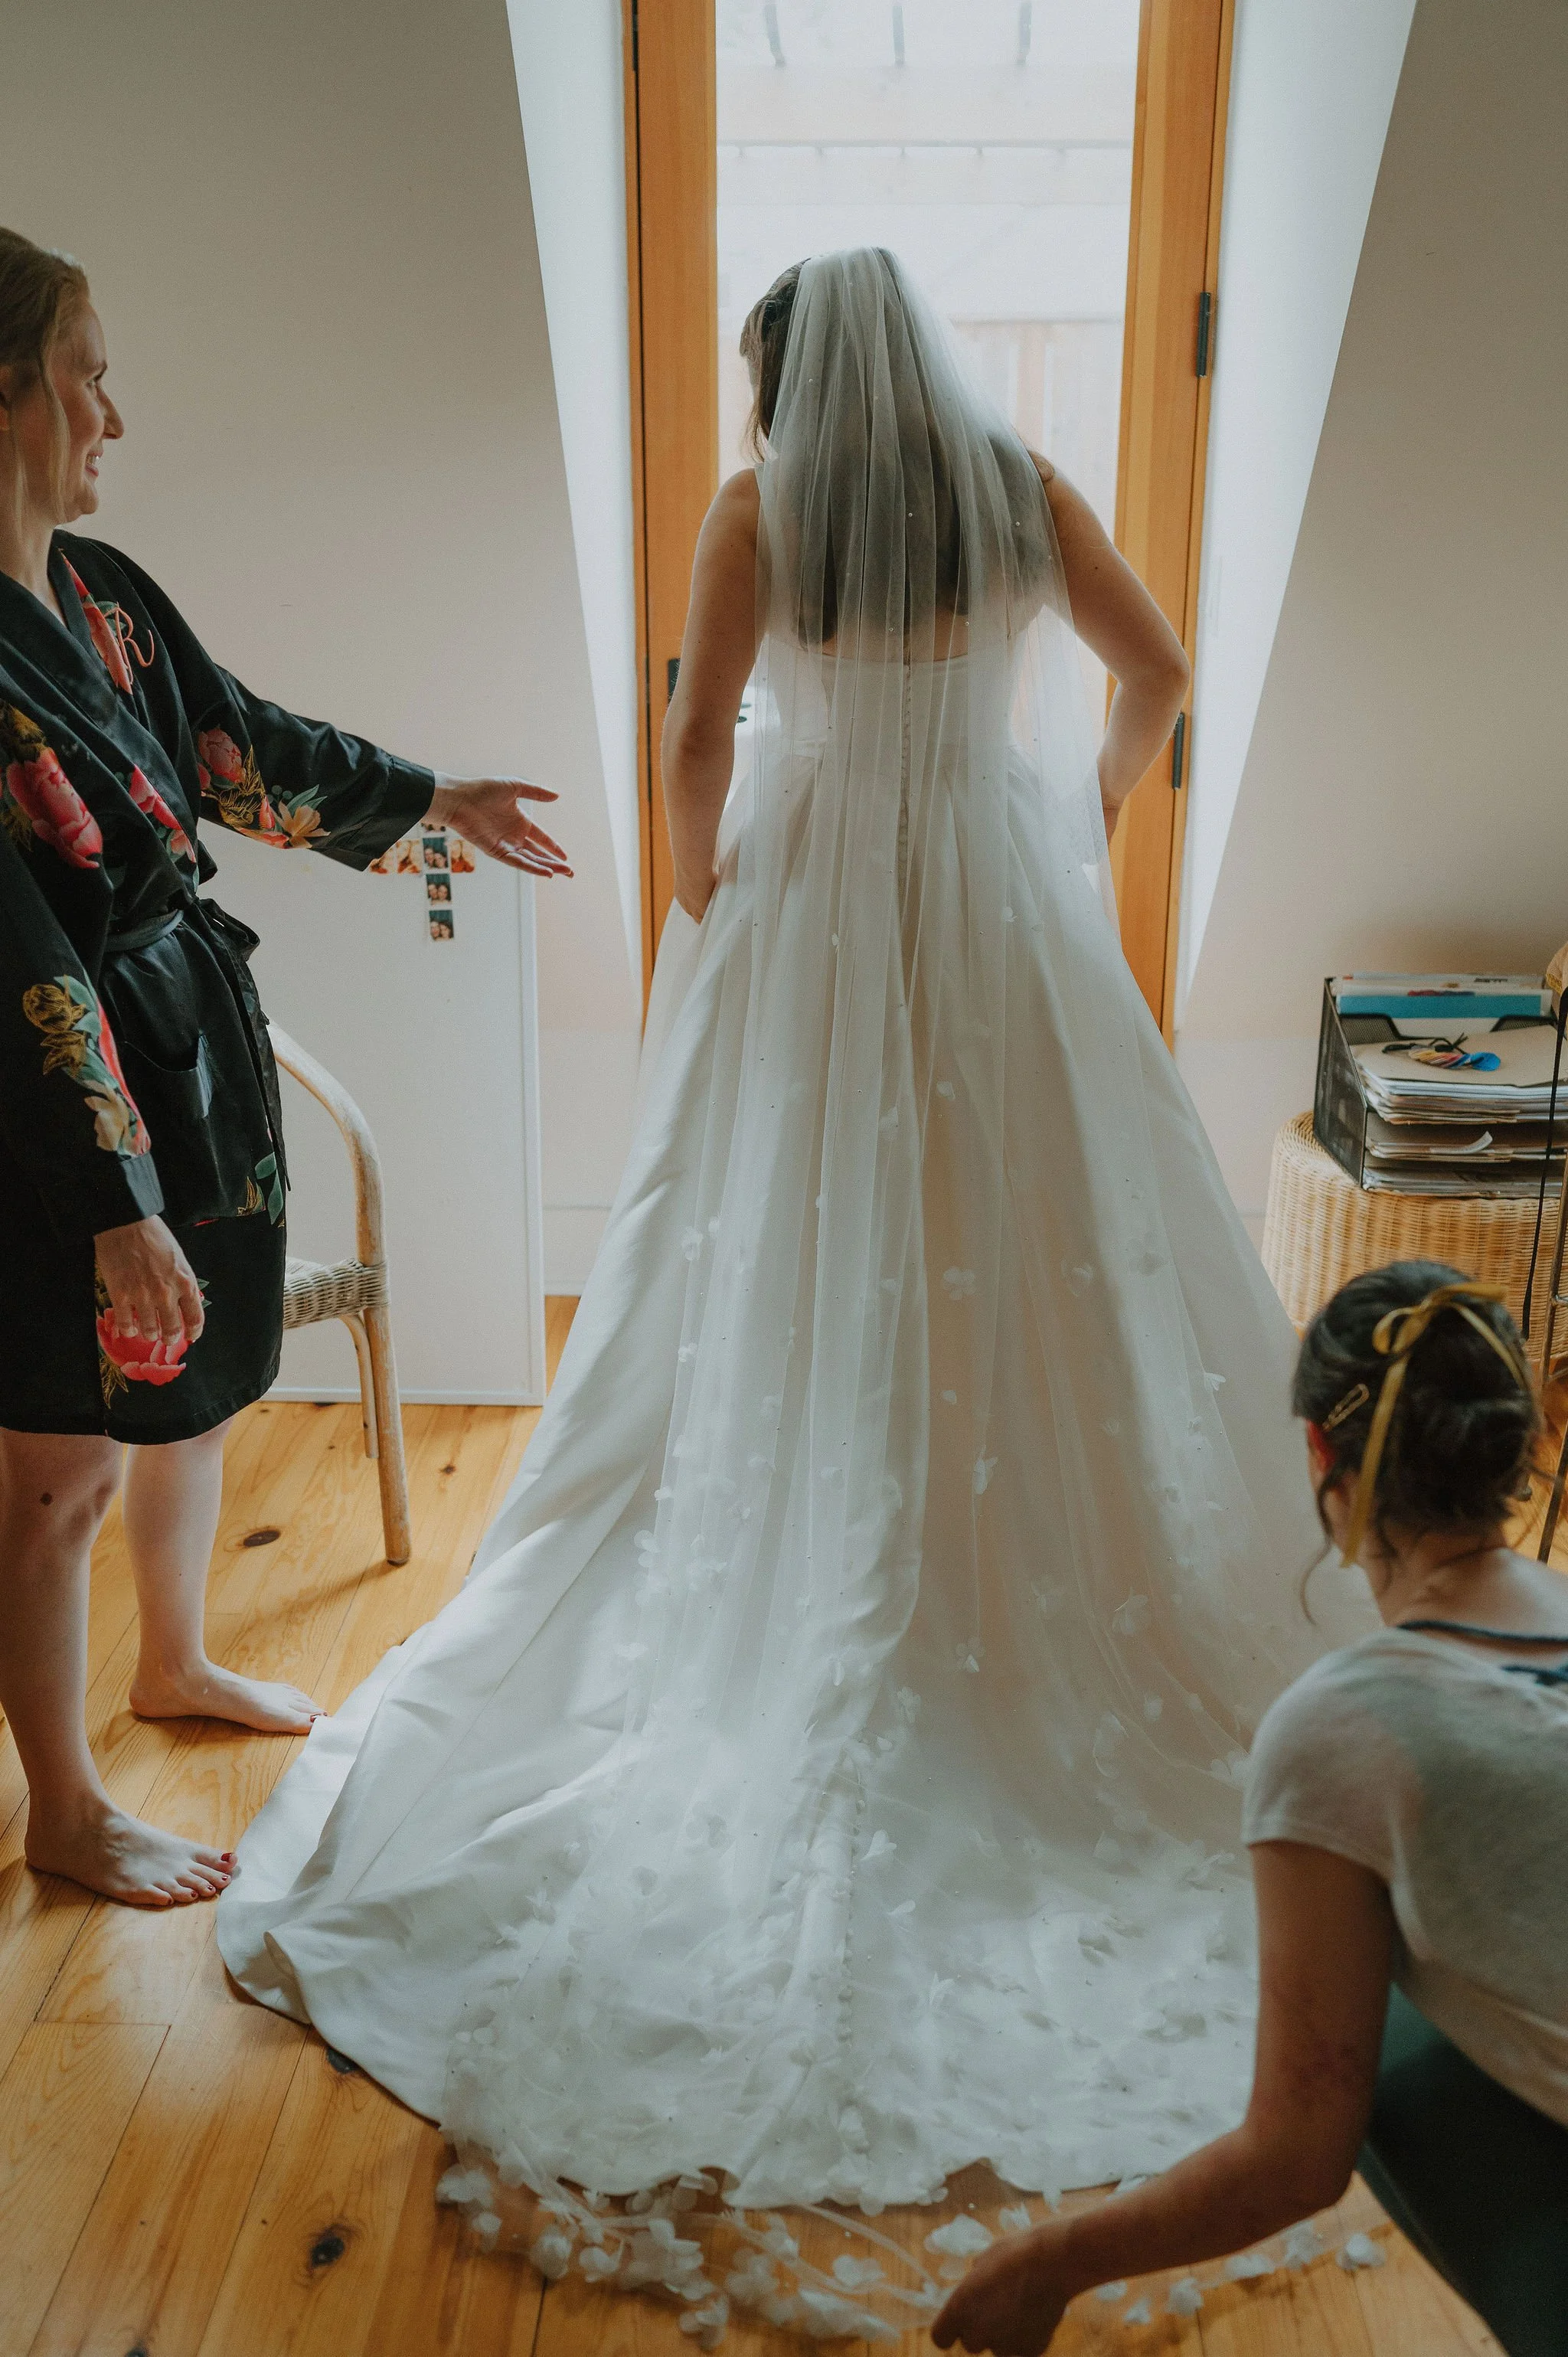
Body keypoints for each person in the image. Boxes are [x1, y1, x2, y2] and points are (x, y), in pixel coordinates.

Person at [217, 249, 1361, 2336]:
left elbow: (686, 752)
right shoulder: (1019, 484)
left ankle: (847, 1540)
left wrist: (713, 899)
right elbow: (1165, 671)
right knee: (1050, 1262)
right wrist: (1066, 810)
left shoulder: (763, 515)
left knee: (788, 1268)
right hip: (1012, 921)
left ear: (787, 389)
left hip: (830, 925)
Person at [0, 229, 570, 1911]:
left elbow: (235, 745)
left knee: (189, 1397)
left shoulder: (97, 596)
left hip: (184, 1052)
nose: (115, 409)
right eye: (88, 368)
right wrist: (110, 1205)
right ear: (7, 386)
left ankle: (172, 1660)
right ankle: (67, 1806)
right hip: (54, 1095)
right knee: (57, 1472)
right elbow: (15, 963)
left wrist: (428, 796)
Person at [934, 1262, 1568, 2357]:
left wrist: (1050, 2260)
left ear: (1324, 1456)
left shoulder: (1344, 1728)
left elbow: (1295, 2158)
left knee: (1373, 2036)